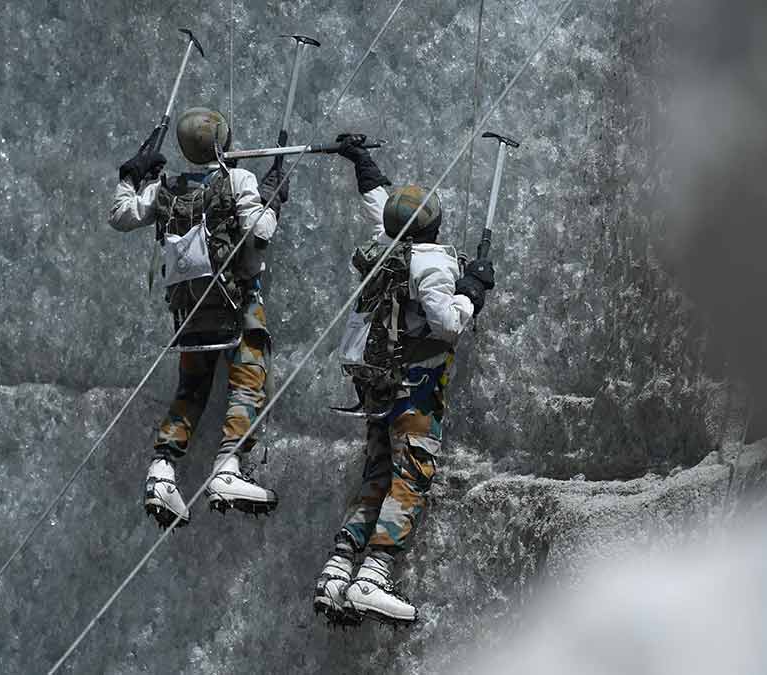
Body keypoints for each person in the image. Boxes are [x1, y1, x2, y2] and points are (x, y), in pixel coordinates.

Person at [313, 135, 496, 626]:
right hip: (414, 387)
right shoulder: (431, 260)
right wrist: (472, 291)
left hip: (374, 383)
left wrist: (362, 162)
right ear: (434, 226)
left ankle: (336, 574)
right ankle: (372, 577)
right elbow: (447, 324)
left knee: (376, 474)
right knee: (411, 474)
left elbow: (379, 202)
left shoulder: (384, 244)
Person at [108, 107, 289, 527]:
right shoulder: (238, 180)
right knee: (248, 380)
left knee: (191, 388)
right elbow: (259, 232)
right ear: (223, 142)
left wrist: (129, 176)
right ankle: (227, 467)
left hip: (190, 310)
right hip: (237, 303)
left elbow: (120, 216)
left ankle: (161, 470)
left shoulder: (165, 188)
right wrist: (271, 198)